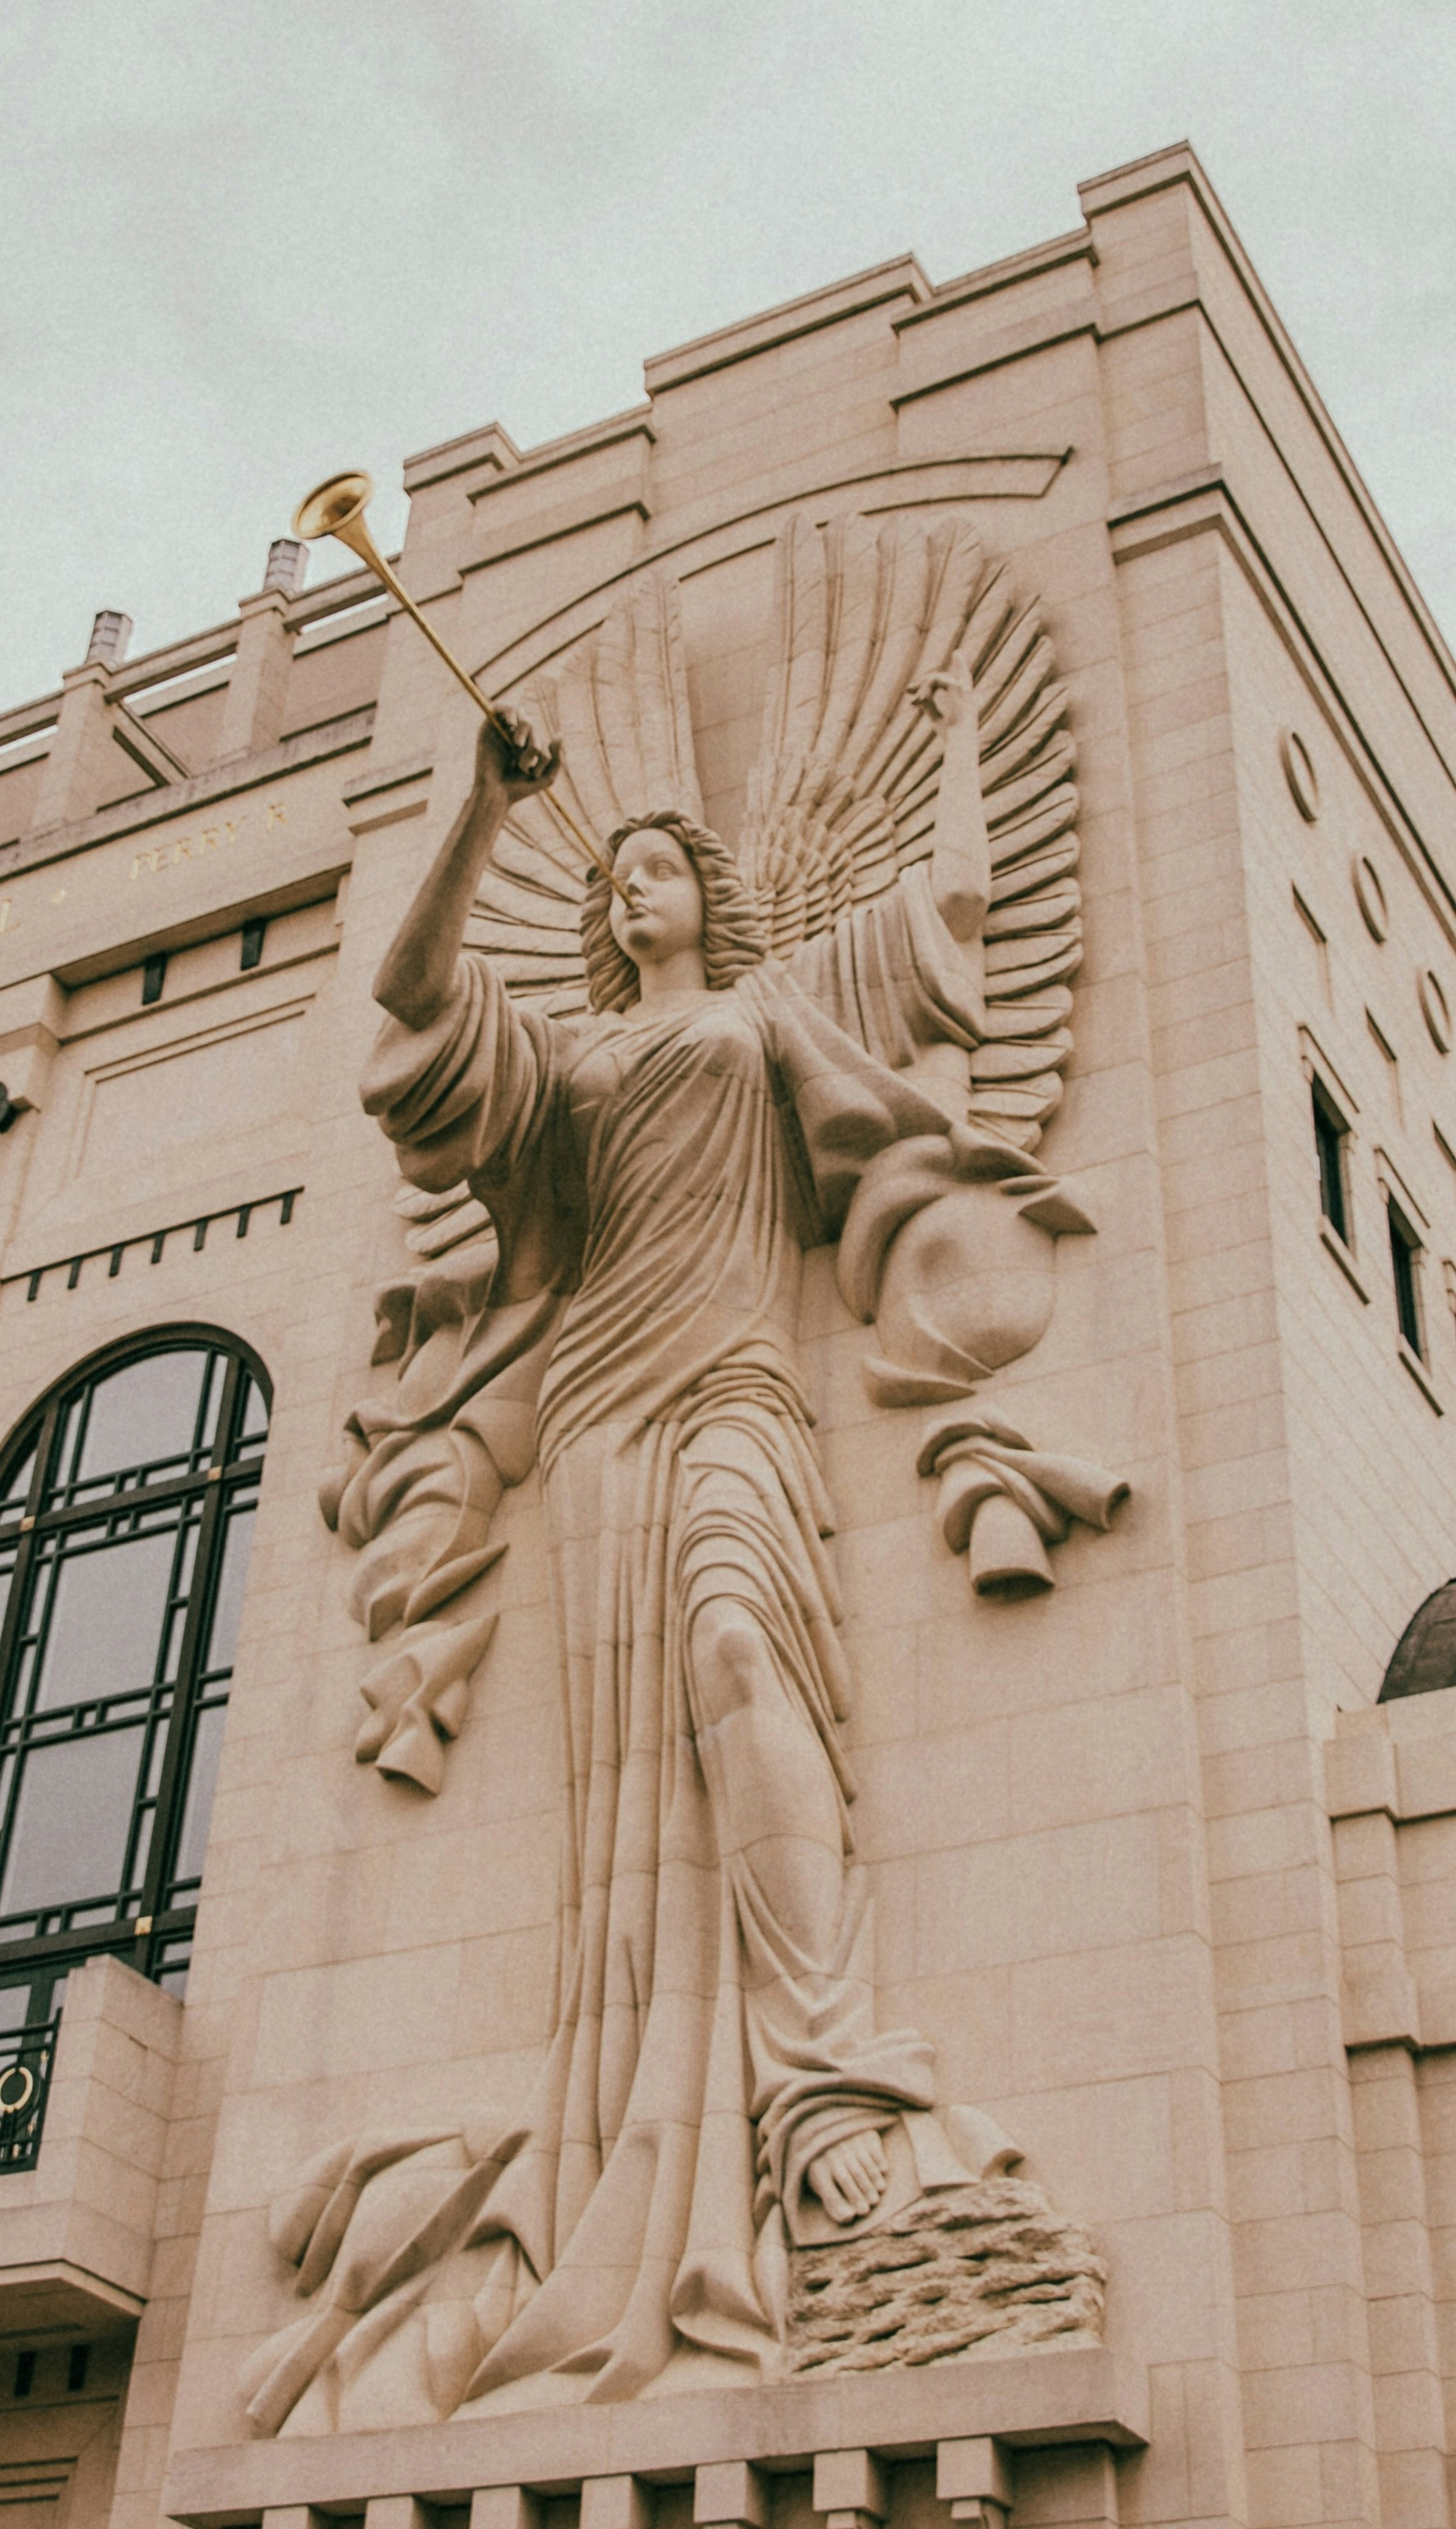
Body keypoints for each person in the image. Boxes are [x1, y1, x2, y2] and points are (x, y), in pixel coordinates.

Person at [244, 668, 1032, 2432]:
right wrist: (481, 807)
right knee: (630, 1801)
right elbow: (410, 1001)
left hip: (739, 1380)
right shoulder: (568, 1054)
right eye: (611, 882)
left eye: (653, 869)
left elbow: (951, 908)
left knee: (745, 1650)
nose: (629, 891)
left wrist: (959, 737)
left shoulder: (773, 1006)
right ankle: (650, 2178)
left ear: (707, 889)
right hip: (596, 1418)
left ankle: (828, 2070)